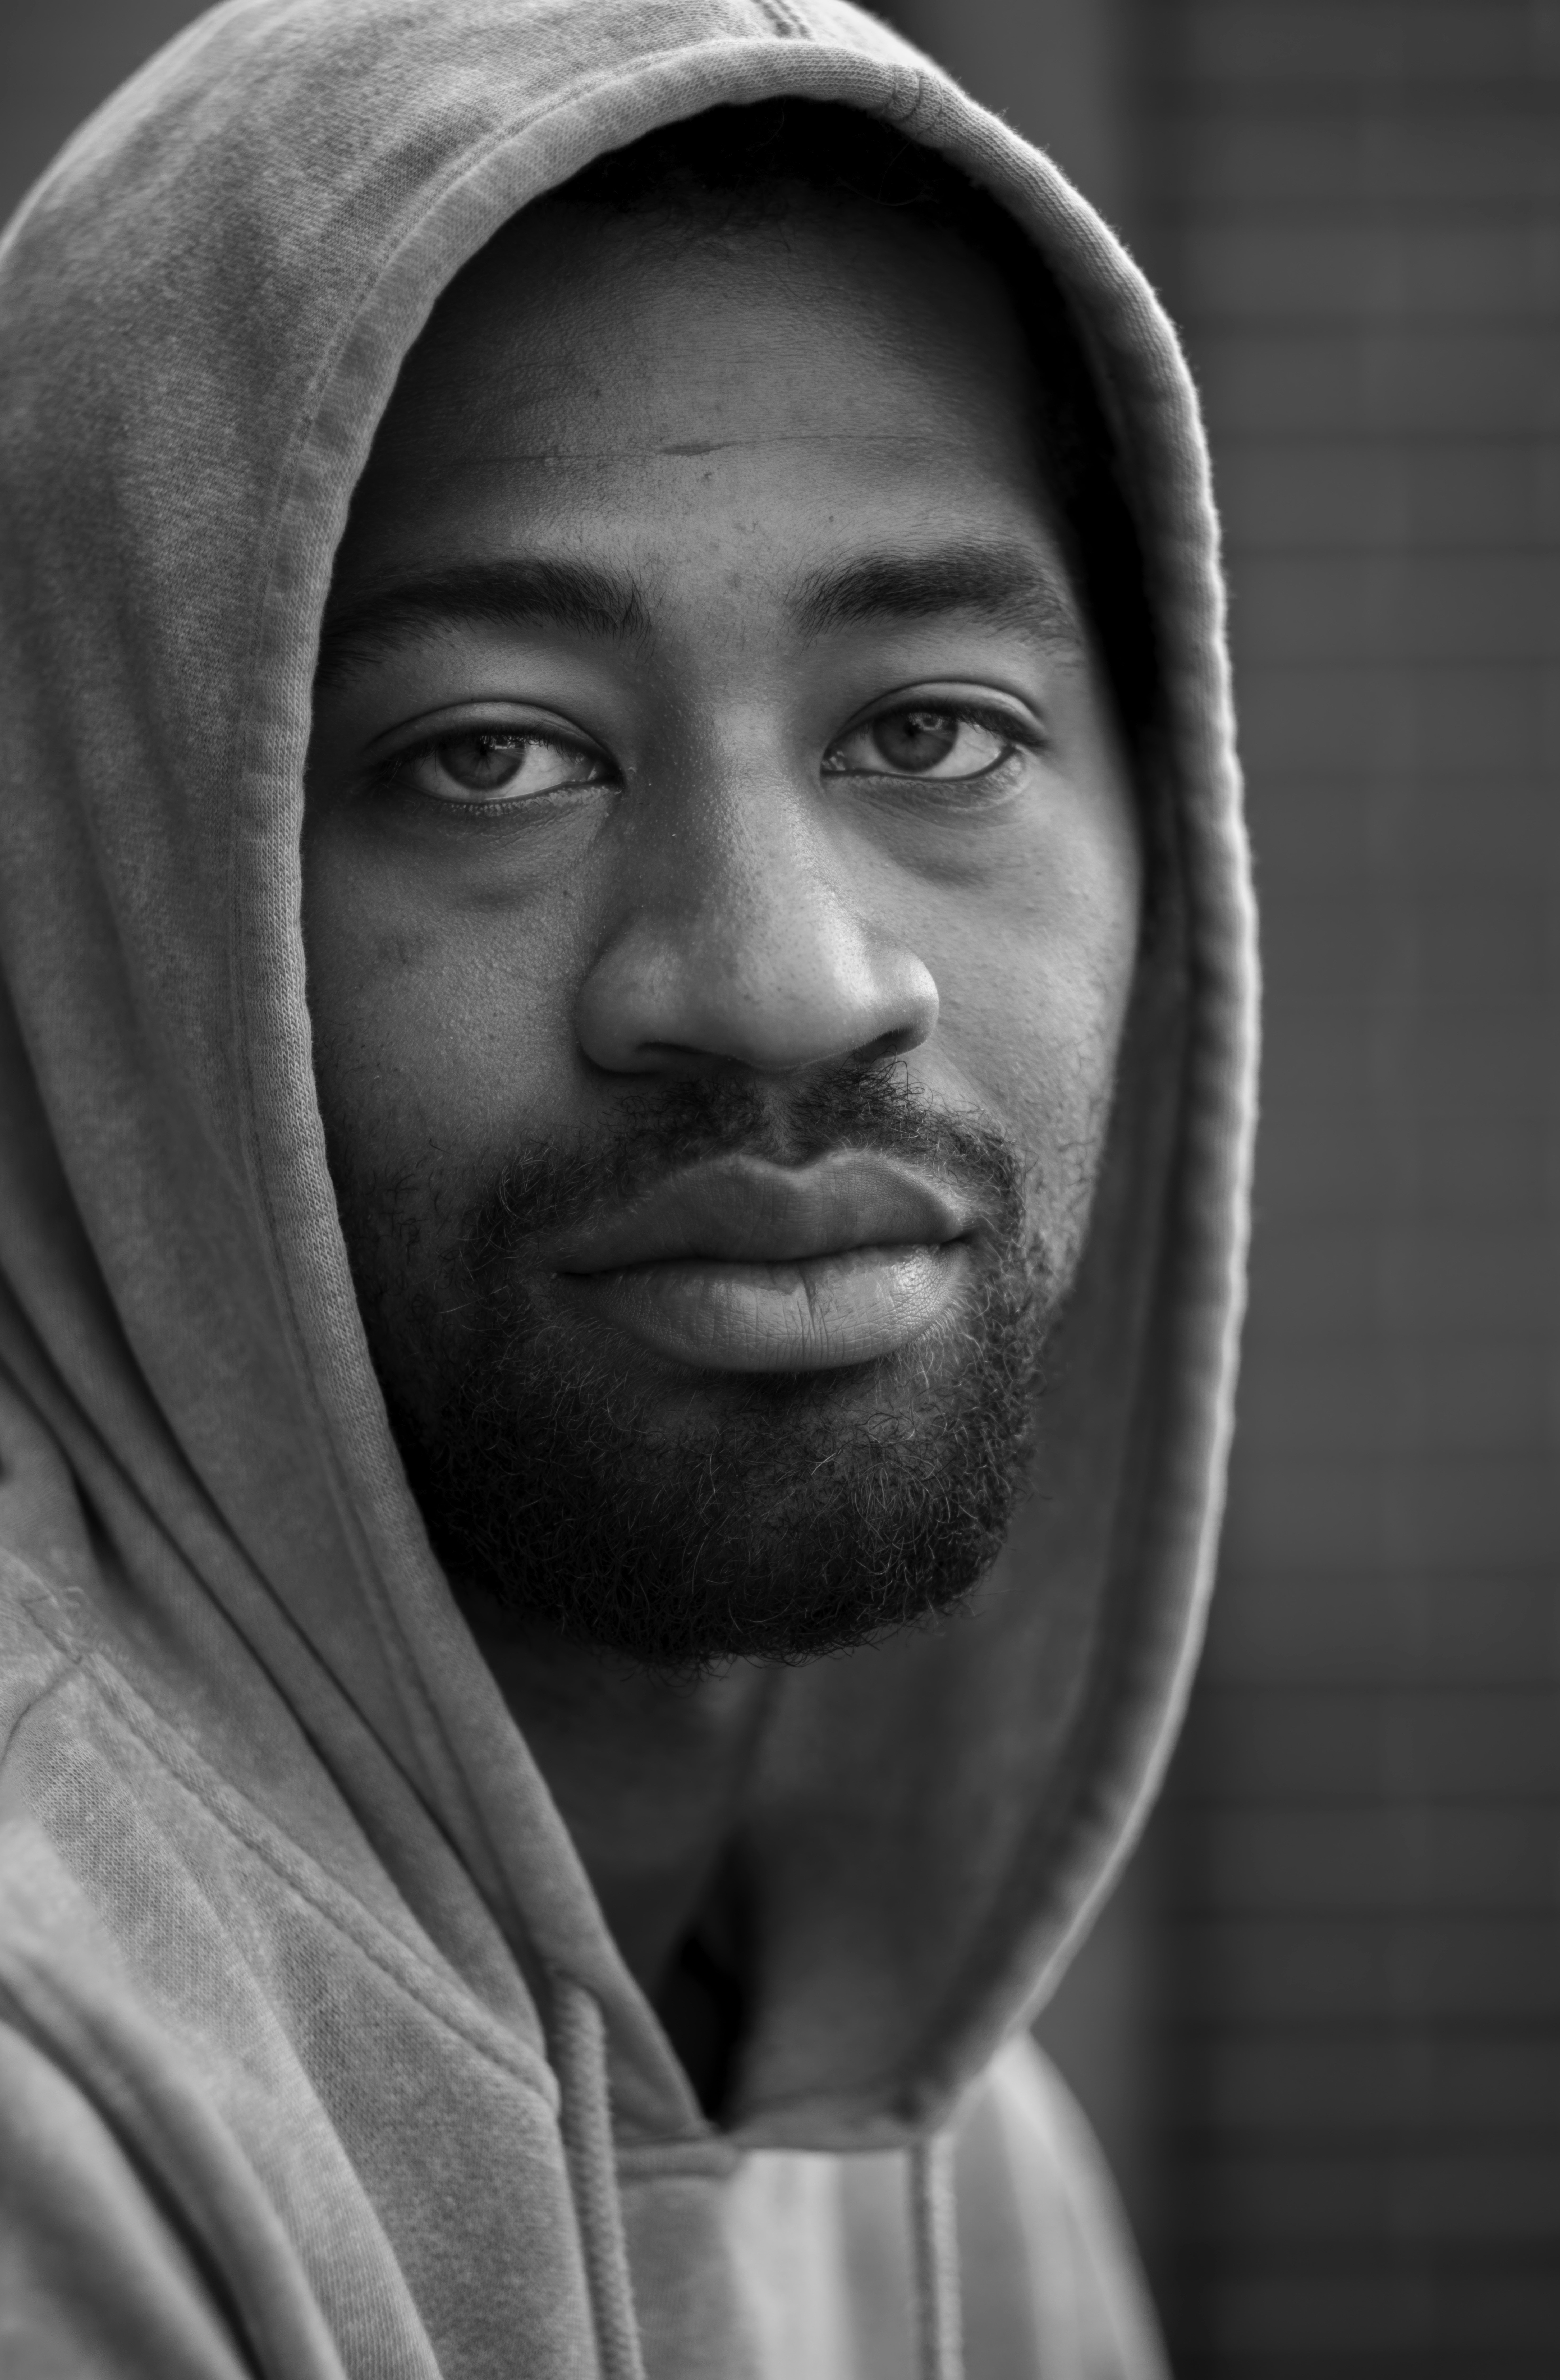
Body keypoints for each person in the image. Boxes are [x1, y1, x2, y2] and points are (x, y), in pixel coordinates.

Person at [0, 2, 1255, 2374]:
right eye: (492, 756)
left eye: (931, 731)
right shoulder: (48, 2084)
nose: (782, 984)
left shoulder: (938, 2159)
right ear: (107, 891)